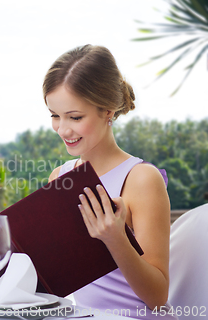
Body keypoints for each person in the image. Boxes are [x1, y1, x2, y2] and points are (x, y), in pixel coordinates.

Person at [44, 44, 176, 320]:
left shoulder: (140, 179)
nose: (63, 129)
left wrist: (115, 239)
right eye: (55, 115)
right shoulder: (59, 177)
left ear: (107, 111)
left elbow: (158, 296)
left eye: (75, 117)